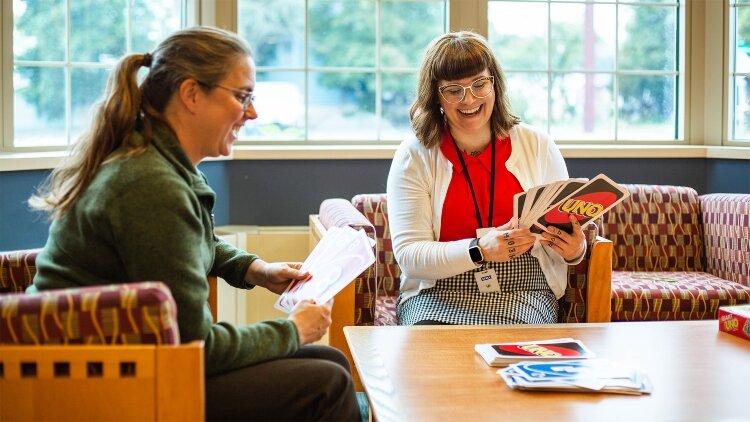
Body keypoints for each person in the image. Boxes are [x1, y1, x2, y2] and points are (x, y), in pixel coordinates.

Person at [27, 26, 360, 421]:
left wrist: (256, 269)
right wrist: (292, 329)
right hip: (96, 381)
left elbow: (186, 242)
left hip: (128, 359)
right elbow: (195, 344)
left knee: (328, 361)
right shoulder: (151, 186)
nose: (252, 113)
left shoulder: (159, 161)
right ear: (191, 94)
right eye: (242, 96)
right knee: (328, 383)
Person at [387, 31, 587, 326]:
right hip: (438, 292)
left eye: (479, 84)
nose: (469, 99)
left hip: (524, 290)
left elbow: (563, 231)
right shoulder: (414, 156)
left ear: (494, 83)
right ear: (435, 94)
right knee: (436, 356)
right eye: (454, 90)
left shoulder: (537, 144)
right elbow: (410, 256)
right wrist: (479, 250)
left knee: (513, 351)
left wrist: (575, 250)